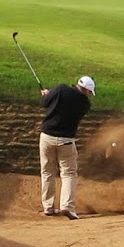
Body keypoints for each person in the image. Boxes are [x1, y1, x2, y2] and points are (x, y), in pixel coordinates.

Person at [39, 74, 96, 219]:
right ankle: (67, 207)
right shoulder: (85, 104)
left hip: (46, 137)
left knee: (47, 172)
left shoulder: (60, 89)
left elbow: (45, 103)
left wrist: (47, 94)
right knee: (69, 173)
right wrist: (51, 95)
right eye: (90, 92)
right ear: (87, 91)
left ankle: (48, 207)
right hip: (66, 141)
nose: (90, 95)